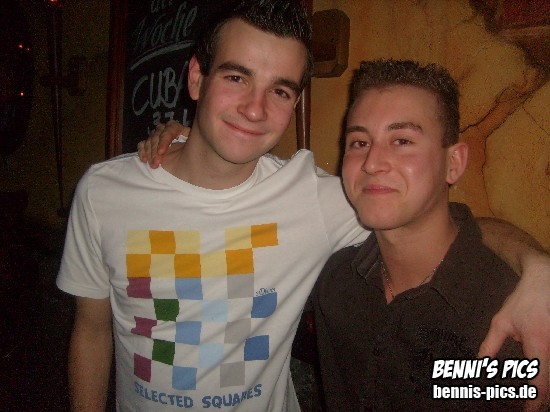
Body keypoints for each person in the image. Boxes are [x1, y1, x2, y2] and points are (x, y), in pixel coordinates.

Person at [59, 0, 549, 411]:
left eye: (279, 90)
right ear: (196, 78)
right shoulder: (105, 193)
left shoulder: (314, 198)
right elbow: (91, 331)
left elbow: (441, 222)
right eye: (236, 78)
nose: (255, 108)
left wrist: (539, 268)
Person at [311, 59, 547, 411]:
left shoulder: (516, 317)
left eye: (402, 140)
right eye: (359, 142)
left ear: (454, 163)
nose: (372, 162)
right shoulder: (338, 283)